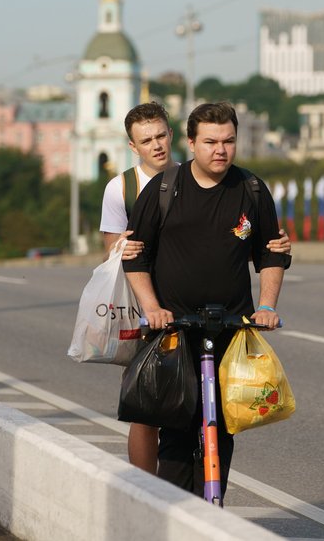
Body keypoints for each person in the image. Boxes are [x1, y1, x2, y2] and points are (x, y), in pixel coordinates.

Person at [100, 101, 290, 475]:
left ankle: (210, 512)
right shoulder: (162, 189)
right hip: (174, 329)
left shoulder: (251, 189)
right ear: (190, 142)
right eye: (210, 142)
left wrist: (266, 306)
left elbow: (270, 253)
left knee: (222, 424)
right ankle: (169, 514)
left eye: (228, 141)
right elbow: (134, 256)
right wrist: (153, 308)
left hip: (231, 329)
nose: (220, 150)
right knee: (172, 430)